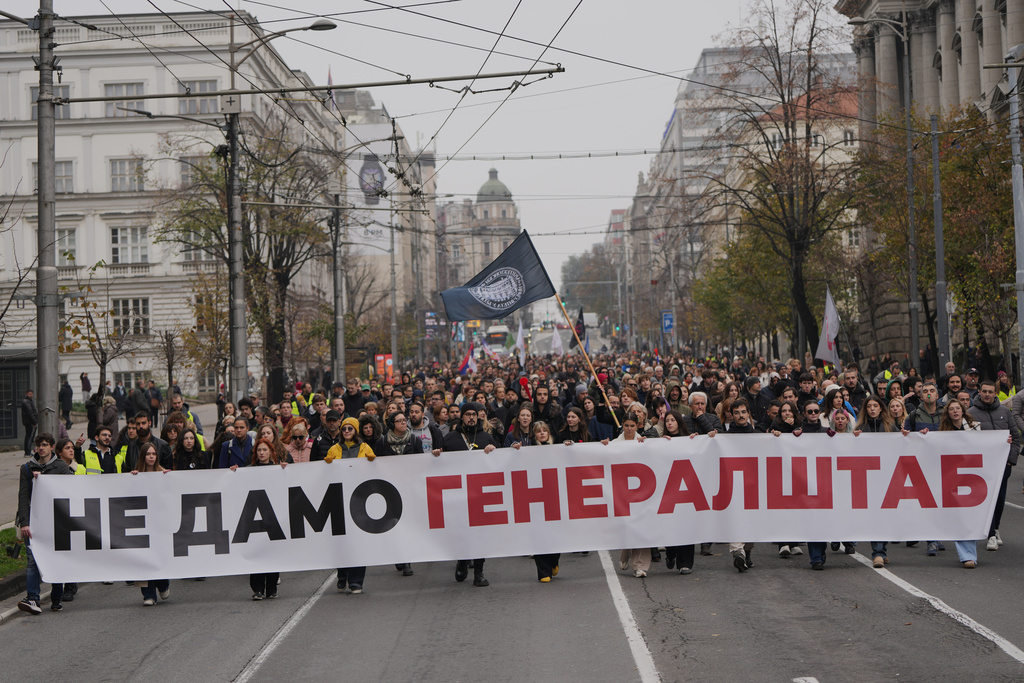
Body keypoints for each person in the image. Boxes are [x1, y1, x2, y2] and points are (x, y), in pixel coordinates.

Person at [438, 402, 497, 587]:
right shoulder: (450, 439)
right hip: (459, 495)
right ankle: (462, 561)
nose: (471, 417)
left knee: (480, 534)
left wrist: (494, 451)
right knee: (462, 533)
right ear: (461, 417)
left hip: (480, 495)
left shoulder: (487, 438)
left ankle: (479, 573)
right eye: (467, 414)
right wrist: (436, 455)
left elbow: (500, 463)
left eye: (474, 414)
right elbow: (440, 466)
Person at [17, 433, 71, 614]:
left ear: (52, 447)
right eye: (38, 445)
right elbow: (23, 497)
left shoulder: (61, 468)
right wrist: (24, 523)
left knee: (55, 558)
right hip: (34, 522)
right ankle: (33, 598)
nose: (41, 448)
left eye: (45, 445)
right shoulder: (27, 468)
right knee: (32, 560)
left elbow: (68, 494)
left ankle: (56, 598)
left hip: (55, 522)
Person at [968, 380, 1022, 552]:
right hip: (981, 467)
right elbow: (966, 440)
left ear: (995, 393)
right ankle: (990, 533)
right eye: (984, 391)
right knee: (986, 500)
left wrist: (1010, 460)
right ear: (979, 392)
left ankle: (995, 528)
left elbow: (1015, 437)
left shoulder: (1005, 412)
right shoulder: (970, 413)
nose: (987, 394)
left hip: (1002, 465)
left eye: (990, 392)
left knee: (999, 500)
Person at [324, 417, 376, 591]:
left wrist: (372, 463)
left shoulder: (365, 448)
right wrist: (326, 465)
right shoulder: (334, 449)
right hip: (338, 500)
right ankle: (343, 572)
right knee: (342, 541)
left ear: (355, 431)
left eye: (350, 429)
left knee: (359, 541)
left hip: (359, 501)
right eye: (344, 428)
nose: (346, 431)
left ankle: (356, 580)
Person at [243, 439, 287, 600]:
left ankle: (272, 587)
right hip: (254, 518)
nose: (262, 452)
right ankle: (257, 589)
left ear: (270, 452)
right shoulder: (248, 470)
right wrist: (233, 472)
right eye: (259, 450)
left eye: (265, 450)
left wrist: (285, 471)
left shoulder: (277, 469)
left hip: (272, 518)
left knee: (272, 553)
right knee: (257, 554)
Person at [129, 442, 171, 606]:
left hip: (159, 523)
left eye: (154, 454)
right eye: (148, 454)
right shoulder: (136, 475)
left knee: (158, 556)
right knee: (144, 559)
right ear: (143, 456)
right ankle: (148, 595)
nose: (151, 457)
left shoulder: (163, 473)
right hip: (142, 524)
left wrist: (169, 478)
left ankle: (163, 583)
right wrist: (132, 479)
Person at [21, 389, 37, 457]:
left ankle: (28, 451)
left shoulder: (28, 401)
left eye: (32, 394)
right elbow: (30, 413)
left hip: (28, 421)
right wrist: (34, 422)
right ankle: (27, 451)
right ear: (26, 394)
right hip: (29, 422)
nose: (31, 395)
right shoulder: (27, 402)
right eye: (30, 394)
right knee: (29, 436)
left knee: (29, 436)